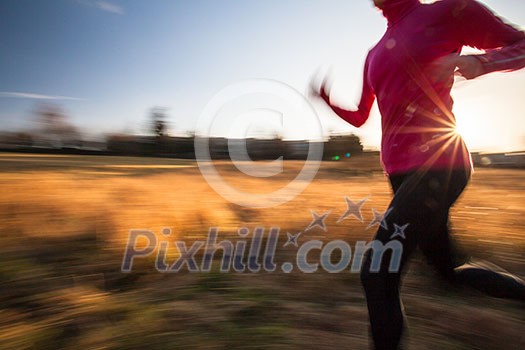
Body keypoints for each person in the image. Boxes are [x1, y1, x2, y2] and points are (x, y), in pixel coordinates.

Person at [312, 0, 525, 349]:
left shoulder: (448, 12)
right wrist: (327, 100)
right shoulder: (374, 54)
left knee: (378, 274)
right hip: (401, 176)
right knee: (448, 274)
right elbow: (361, 116)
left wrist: (479, 62)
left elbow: (521, 45)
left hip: (440, 163)